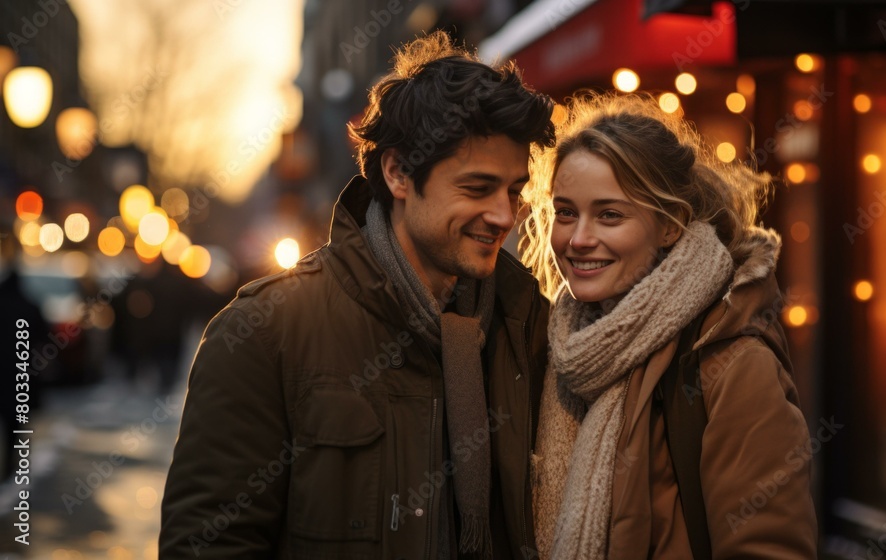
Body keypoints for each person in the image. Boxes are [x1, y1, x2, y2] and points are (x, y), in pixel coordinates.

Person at [159, 31, 555, 559]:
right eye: (477, 188)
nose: (505, 216)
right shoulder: (265, 332)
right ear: (398, 173)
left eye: (514, 191)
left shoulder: (527, 326)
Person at [521, 93, 818, 559]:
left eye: (610, 215)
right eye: (565, 212)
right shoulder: (553, 349)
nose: (578, 240)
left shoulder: (733, 365)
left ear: (671, 226)